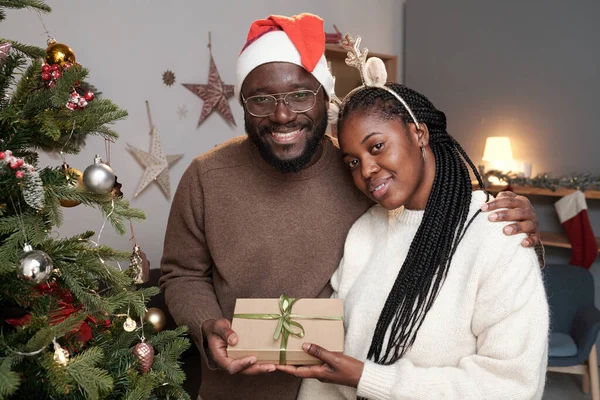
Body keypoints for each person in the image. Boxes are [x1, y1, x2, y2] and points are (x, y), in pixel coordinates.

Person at [160, 14, 543, 400]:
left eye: (299, 95)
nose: (281, 114)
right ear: (244, 104)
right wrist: (206, 324)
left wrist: (508, 226)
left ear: (324, 97)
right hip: (239, 390)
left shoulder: (364, 180)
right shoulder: (207, 176)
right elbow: (182, 273)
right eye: (261, 99)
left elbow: (430, 208)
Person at [276, 37, 549, 400]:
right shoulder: (363, 233)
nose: (367, 170)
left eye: (376, 146)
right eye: (353, 162)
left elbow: (512, 386)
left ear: (418, 133)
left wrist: (367, 378)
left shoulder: (497, 234)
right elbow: (326, 371)